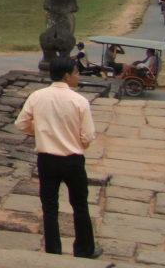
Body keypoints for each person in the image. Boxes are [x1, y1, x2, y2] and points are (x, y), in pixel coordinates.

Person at [15, 56, 100, 259]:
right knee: (80, 205)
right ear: (66, 75)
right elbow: (87, 136)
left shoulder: (37, 96)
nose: (78, 76)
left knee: (50, 207)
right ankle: (84, 250)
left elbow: (21, 123)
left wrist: (43, 132)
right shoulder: (79, 101)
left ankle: (53, 251)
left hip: (47, 159)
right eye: (76, 73)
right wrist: (78, 143)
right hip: (72, 159)